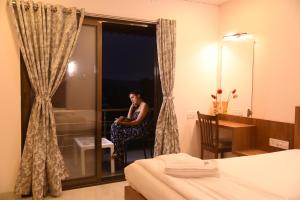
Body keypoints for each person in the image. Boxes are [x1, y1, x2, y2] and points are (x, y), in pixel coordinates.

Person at [110, 91, 150, 165]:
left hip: (140, 130)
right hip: (134, 128)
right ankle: (118, 154)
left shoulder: (144, 105)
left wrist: (121, 123)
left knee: (116, 128)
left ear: (138, 95)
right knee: (114, 126)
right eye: (130, 98)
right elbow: (129, 118)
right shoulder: (136, 106)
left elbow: (137, 122)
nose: (131, 99)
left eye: (133, 97)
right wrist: (130, 108)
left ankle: (118, 154)